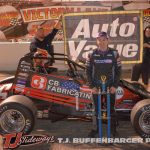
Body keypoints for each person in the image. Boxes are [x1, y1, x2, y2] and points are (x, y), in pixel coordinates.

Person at [86, 32, 122, 137]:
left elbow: (118, 71)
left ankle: (113, 130)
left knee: (111, 108)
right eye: (99, 40)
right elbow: (87, 71)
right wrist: (91, 86)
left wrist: (115, 86)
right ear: (97, 41)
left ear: (108, 40)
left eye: (104, 39)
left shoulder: (114, 53)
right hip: (96, 85)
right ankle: (96, 129)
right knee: (96, 108)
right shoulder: (91, 54)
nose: (101, 42)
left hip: (110, 85)